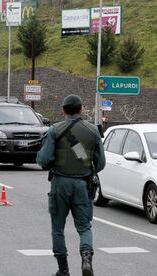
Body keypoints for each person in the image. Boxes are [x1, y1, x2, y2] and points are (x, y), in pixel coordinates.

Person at [36, 94, 105, 276]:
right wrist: (87, 170)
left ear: (63, 110)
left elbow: (43, 160)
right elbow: (101, 164)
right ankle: (86, 259)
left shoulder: (55, 130)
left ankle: (63, 269)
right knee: (84, 227)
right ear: (81, 109)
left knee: (58, 228)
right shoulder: (92, 131)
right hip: (83, 185)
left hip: (60, 183)